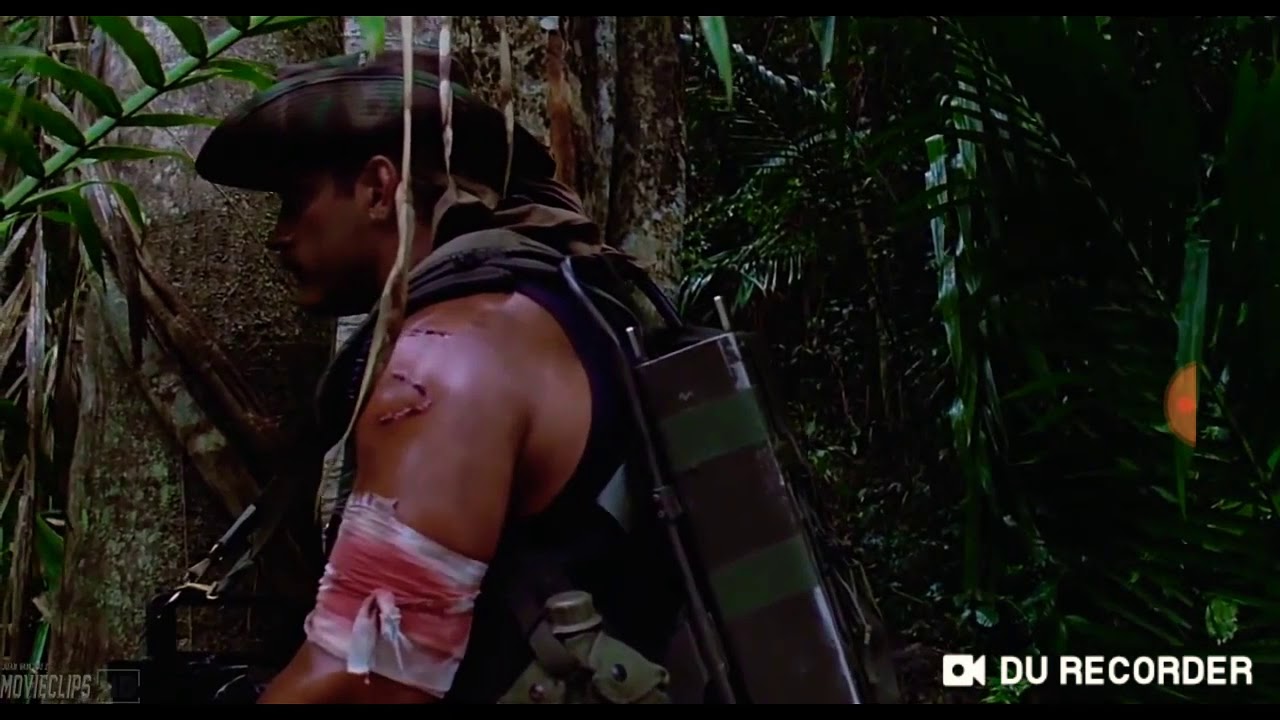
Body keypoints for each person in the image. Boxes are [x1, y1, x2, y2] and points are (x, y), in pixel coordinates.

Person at [194, 50, 676, 704]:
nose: (278, 236)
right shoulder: (563, 308)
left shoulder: (448, 357)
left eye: (295, 201)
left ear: (377, 189)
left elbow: (375, 680)